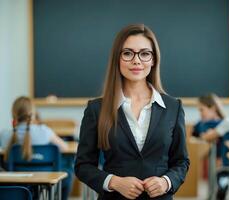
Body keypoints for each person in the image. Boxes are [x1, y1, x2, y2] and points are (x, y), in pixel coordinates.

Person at [75, 24, 190, 200]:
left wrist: (166, 182)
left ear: (153, 60)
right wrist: (114, 182)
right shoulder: (96, 109)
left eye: (144, 54)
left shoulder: (173, 107)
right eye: (128, 53)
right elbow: (83, 166)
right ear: (117, 59)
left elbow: (181, 162)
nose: (137, 61)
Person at [0, 96, 71, 200]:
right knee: (68, 169)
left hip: (15, 182)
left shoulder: (5, 135)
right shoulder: (44, 131)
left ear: (13, 114)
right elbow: (65, 148)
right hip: (45, 178)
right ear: (33, 114)